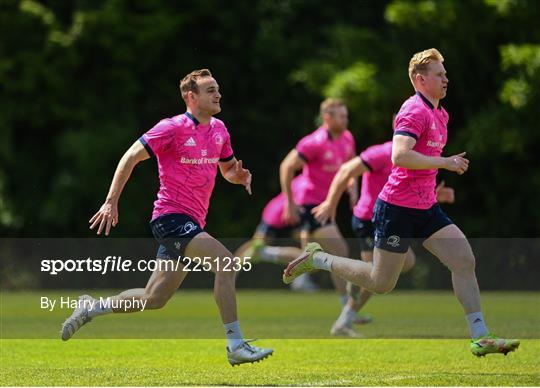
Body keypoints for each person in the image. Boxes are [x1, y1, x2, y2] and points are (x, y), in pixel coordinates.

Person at [284, 49, 520, 356]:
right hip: (396, 209)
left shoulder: (440, 113)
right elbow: (400, 156)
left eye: (445, 73)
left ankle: (480, 336)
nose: (446, 78)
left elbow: (419, 168)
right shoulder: (414, 110)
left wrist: (436, 189)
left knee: (464, 260)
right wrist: (445, 162)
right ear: (421, 80)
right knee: (381, 283)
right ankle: (318, 259)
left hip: (425, 209)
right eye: (439, 74)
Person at [60, 69, 273, 366]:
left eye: (218, 89)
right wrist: (111, 201)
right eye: (210, 90)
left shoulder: (220, 130)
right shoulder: (171, 128)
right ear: (191, 96)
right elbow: (131, 156)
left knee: (154, 298)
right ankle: (235, 344)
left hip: (192, 222)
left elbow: (225, 169)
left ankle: (90, 308)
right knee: (227, 263)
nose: (218, 94)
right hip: (170, 217)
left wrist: (237, 176)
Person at [236, 98, 368, 322]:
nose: (346, 120)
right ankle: (348, 310)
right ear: (327, 118)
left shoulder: (347, 138)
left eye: (346, 115)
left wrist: (353, 189)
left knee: (315, 259)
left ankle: (346, 309)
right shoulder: (314, 142)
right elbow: (286, 166)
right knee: (339, 252)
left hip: (325, 205)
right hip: (310, 205)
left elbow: (349, 168)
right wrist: (289, 202)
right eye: (341, 116)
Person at [312, 139, 455, 337]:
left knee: (404, 264)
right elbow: (346, 170)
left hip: (391, 220)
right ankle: (344, 318)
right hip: (370, 219)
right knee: (377, 278)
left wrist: (435, 195)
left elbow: (408, 191)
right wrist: (330, 202)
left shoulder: (421, 158)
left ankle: (352, 278)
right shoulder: (383, 152)